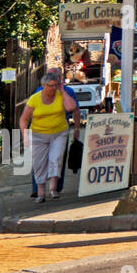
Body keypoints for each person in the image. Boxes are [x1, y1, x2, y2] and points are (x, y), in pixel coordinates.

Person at [19, 69, 81, 203]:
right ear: (44, 85)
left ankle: (53, 189)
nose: (53, 88)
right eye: (50, 85)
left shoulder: (63, 93)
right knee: (39, 163)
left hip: (59, 133)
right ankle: (40, 193)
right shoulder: (35, 97)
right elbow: (24, 119)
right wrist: (25, 136)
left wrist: (63, 91)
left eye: (55, 84)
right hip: (38, 134)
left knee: (56, 158)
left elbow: (72, 108)